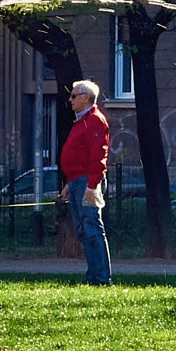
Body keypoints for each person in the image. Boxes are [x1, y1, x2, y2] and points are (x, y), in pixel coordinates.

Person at [57, 78, 112, 286]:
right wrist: (71, 183)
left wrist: (91, 186)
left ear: (85, 98)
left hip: (89, 183)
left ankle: (100, 278)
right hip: (79, 181)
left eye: (73, 96)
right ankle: (95, 276)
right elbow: (80, 156)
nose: (70, 100)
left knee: (92, 228)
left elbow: (99, 156)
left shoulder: (95, 120)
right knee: (85, 229)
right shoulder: (83, 120)